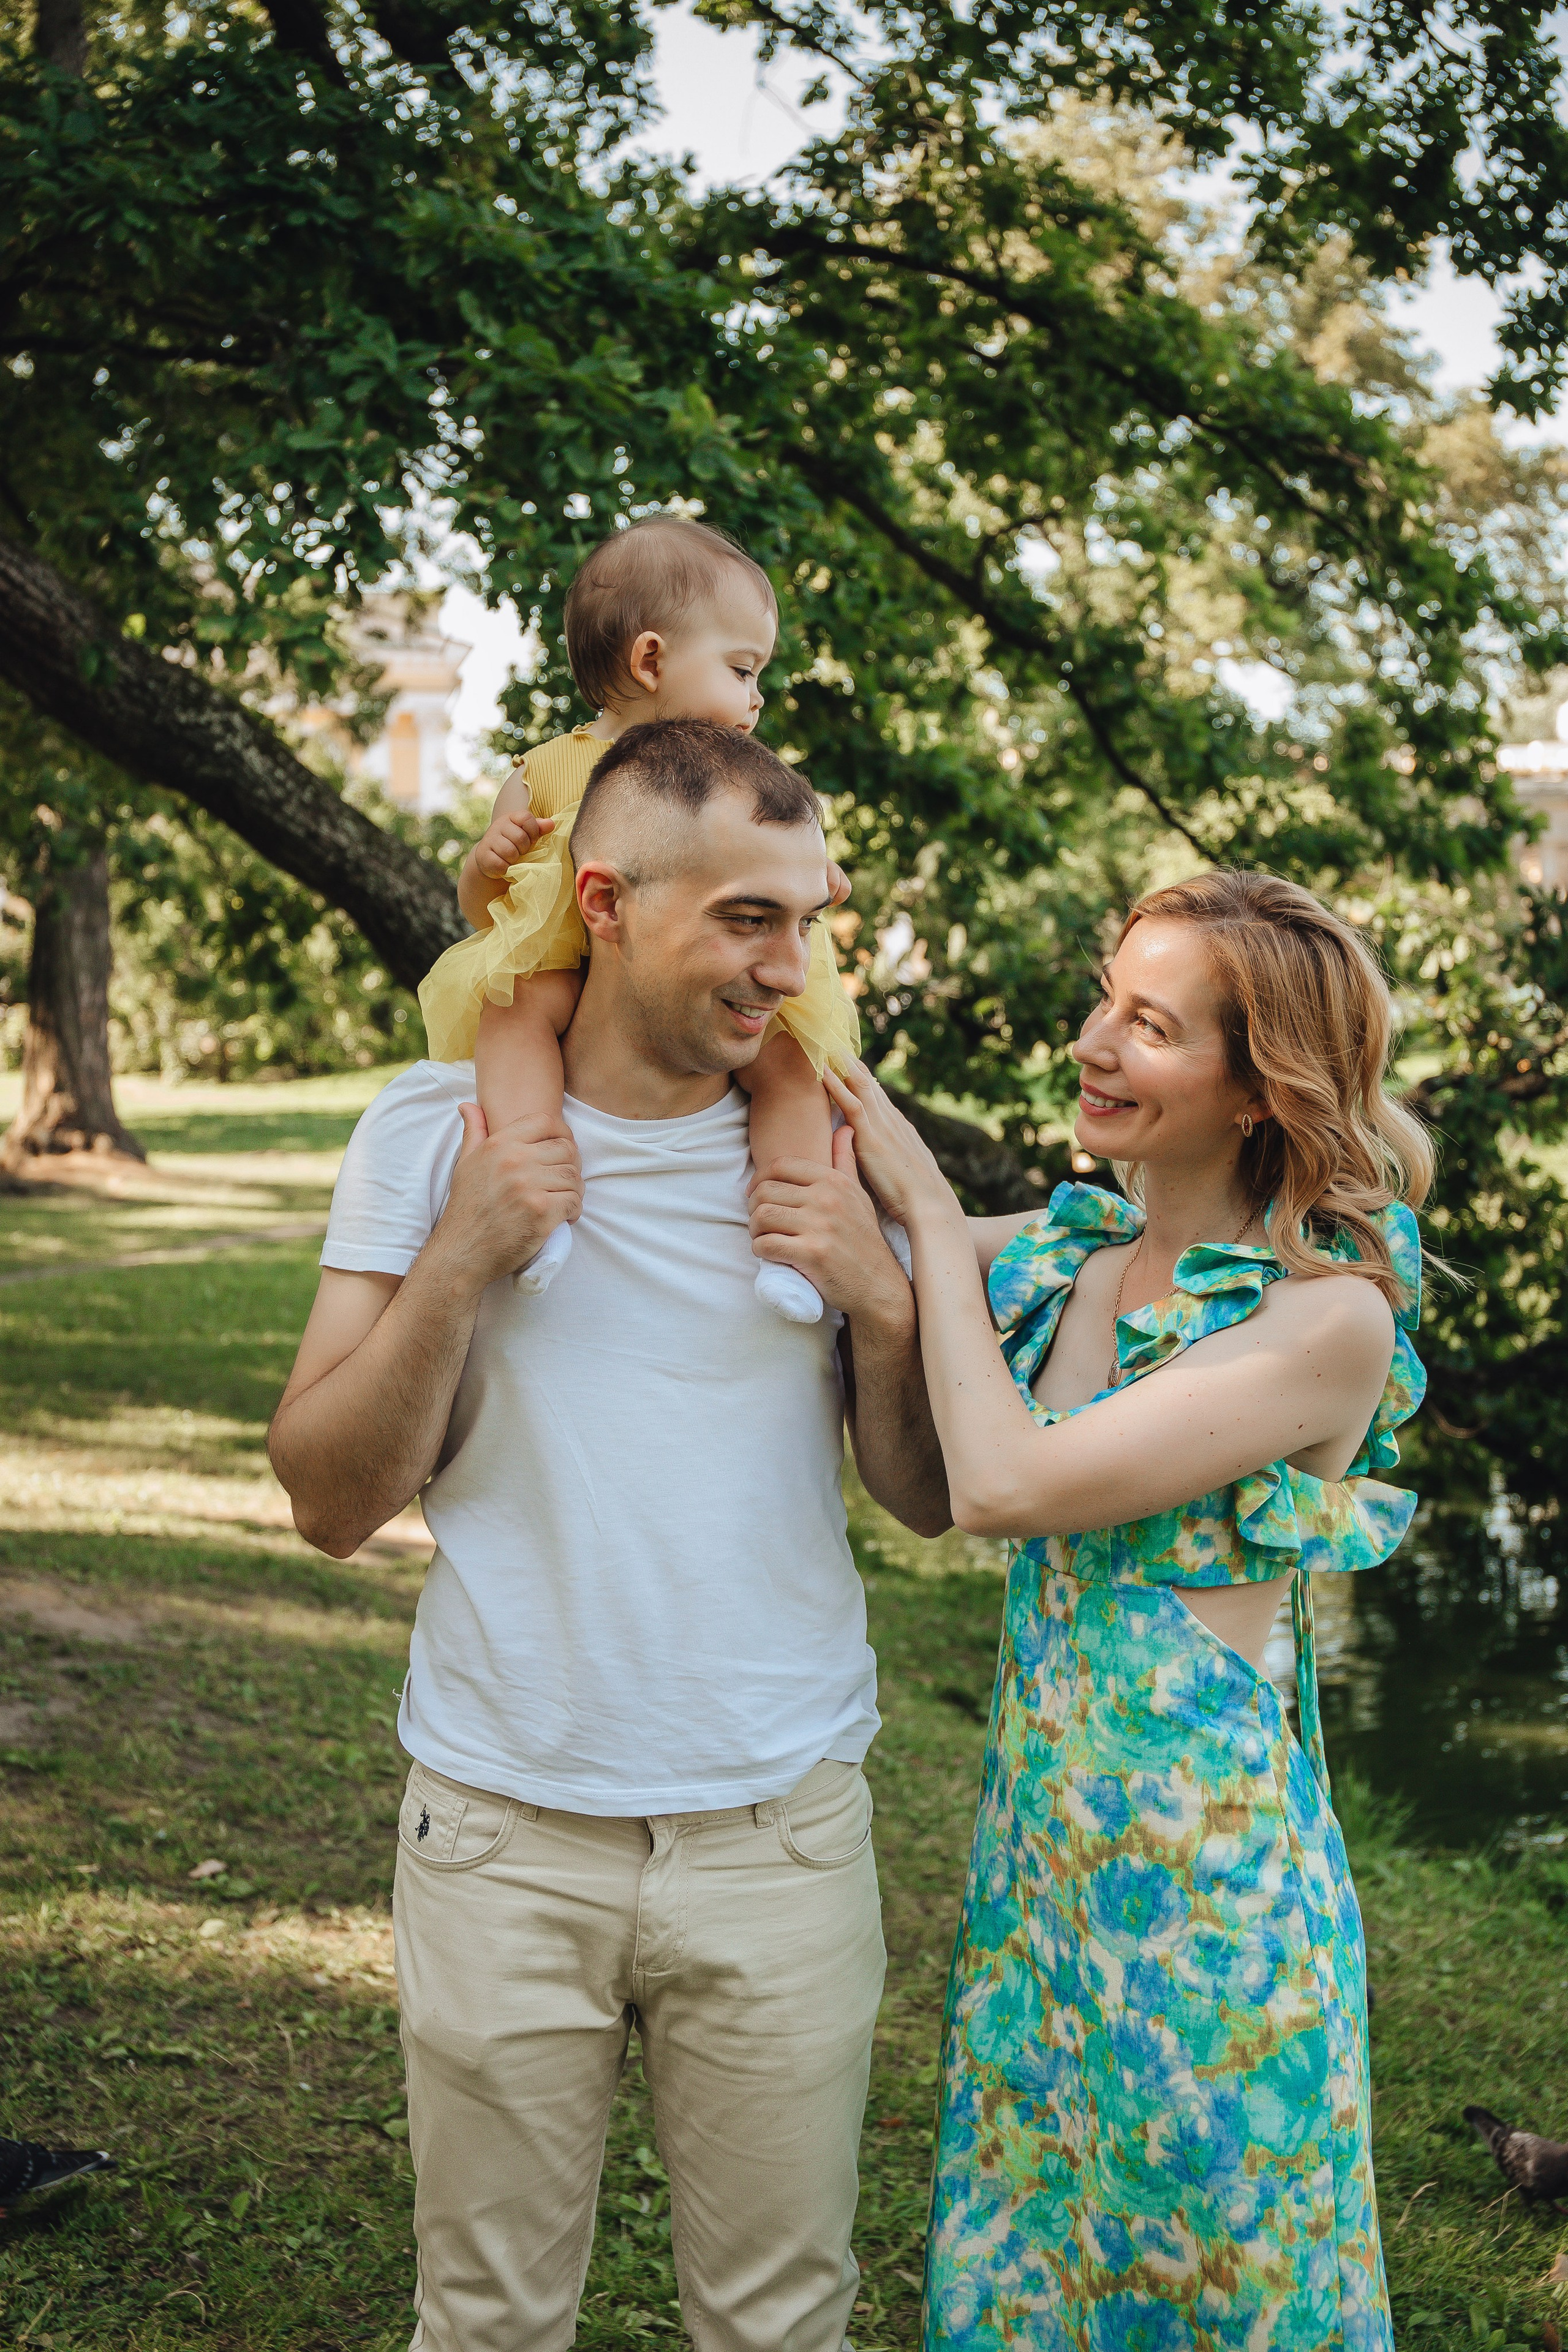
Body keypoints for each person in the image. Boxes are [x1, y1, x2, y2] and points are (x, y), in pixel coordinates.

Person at [268, 717, 952, 2352]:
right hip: (504, 1832)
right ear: (609, 901)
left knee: (781, 2321)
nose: (792, 967)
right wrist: (462, 1259)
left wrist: (882, 1309)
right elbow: (325, 1500)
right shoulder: (437, 1134)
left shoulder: (833, 1144)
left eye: (807, 922)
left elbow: (924, 1498)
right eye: (745, 919)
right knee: (488, 2319)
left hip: (781, 1835)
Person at [809, 870, 1428, 2351]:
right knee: (1038, 2280)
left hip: (1210, 1923)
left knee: (1211, 2292)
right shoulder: (1073, 1254)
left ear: (1254, 1090)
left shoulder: (1318, 1319)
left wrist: (917, 1210)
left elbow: (1006, 1483)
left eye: (1149, 1025)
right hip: (1041, 1890)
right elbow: (908, 1423)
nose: (1093, 1041)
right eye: (1107, 997)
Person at [417, 513, 864, 1326]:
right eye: (741, 668)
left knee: (790, 1069)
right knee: (512, 1018)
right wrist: (486, 863)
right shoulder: (547, 770)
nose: (757, 698)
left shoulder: (748, 779)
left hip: (700, 985)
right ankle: (535, 1199)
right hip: (571, 972)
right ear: (651, 659)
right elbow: (491, 916)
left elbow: (781, 846)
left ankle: (797, 1238)